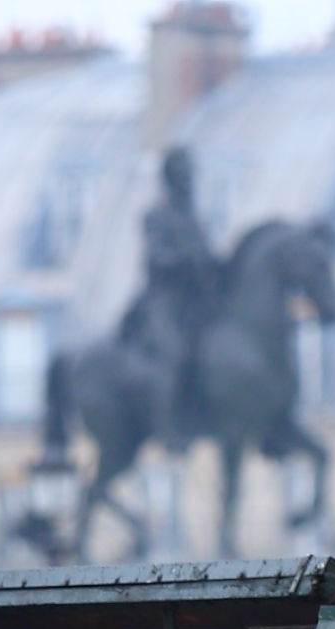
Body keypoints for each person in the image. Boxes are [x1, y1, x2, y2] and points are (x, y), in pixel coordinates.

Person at [115, 149, 223, 443]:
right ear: (172, 179)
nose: (188, 181)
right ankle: (167, 426)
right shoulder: (156, 216)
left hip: (195, 302)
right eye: (183, 175)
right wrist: (183, 261)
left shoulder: (194, 219)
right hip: (164, 300)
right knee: (174, 354)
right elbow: (155, 257)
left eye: (190, 175)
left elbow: (207, 257)